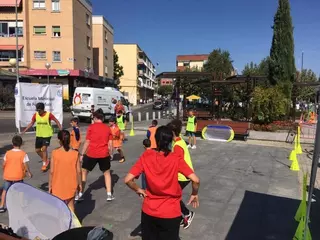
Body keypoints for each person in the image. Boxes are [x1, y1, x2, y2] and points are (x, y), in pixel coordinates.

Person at [124, 126, 200, 240]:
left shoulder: (146, 155)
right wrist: (194, 193)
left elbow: (128, 179)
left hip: (149, 210)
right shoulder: (176, 158)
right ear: (170, 140)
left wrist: (138, 190)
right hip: (170, 212)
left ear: (155, 139)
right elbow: (195, 180)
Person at [79, 110, 115, 201]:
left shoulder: (91, 127)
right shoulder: (108, 128)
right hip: (104, 154)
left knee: (84, 172)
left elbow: (87, 141)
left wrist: (82, 154)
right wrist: (111, 153)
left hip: (91, 153)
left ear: (95, 118)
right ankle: (109, 194)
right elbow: (110, 143)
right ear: (102, 118)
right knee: (106, 173)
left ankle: (80, 194)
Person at [168, 119, 195, 229]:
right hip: (184, 175)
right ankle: (179, 217)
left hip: (183, 176)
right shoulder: (178, 141)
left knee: (172, 197)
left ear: (172, 132)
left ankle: (187, 214)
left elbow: (178, 163)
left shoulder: (178, 145)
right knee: (172, 196)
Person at [22, 102, 62, 171]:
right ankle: (46, 160)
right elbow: (31, 123)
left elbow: (56, 121)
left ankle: (44, 164)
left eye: (39, 110)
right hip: (39, 135)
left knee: (43, 149)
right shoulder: (36, 115)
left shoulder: (49, 115)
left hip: (47, 134)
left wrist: (61, 130)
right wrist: (25, 130)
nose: (38, 111)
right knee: (37, 150)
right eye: (37, 110)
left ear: (43, 109)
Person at [49, 130, 81, 213]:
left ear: (59, 140)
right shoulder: (75, 153)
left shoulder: (54, 153)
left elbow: (51, 171)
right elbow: (79, 171)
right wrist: (80, 184)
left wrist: (50, 185)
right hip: (71, 183)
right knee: (71, 206)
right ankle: (72, 224)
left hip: (57, 184)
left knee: (58, 207)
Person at [0, 135, 32, 213]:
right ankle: (20, 205)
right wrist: (29, 172)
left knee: (5, 190)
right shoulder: (23, 154)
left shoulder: (8, 153)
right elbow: (25, 165)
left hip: (8, 175)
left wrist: (4, 169)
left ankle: (1, 206)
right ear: (21, 144)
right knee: (21, 190)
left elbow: (3, 164)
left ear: (12, 143)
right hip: (18, 175)